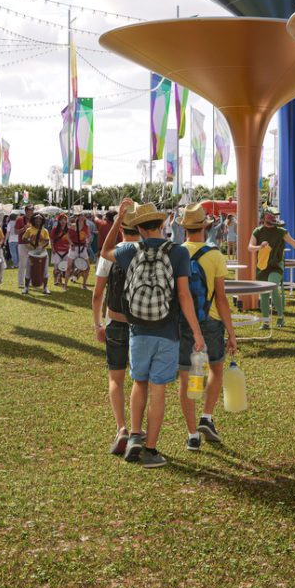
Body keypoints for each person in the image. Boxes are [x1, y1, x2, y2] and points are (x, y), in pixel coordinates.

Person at [105, 200, 206, 469]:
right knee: (158, 389)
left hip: (138, 330)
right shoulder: (178, 252)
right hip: (167, 331)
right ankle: (150, 450)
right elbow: (184, 296)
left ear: (139, 228)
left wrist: (118, 220)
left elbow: (104, 251)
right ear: (162, 224)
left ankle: (134, 436)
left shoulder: (130, 250)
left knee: (139, 383)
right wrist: (197, 333)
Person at [176, 203, 237, 451]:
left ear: (184, 228)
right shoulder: (215, 255)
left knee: (188, 376)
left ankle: (192, 434)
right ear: (205, 227)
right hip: (210, 321)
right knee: (215, 368)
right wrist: (231, 332)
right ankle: (207, 416)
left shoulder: (176, 253)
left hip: (183, 322)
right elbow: (221, 299)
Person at [93, 203, 141, 457]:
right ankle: (136, 430)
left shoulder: (111, 254)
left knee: (116, 378)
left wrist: (97, 324)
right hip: (142, 323)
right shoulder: (146, 252)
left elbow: (97, 294)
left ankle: (121, 427)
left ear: (121, 227)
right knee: (140, 379)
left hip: (114, 321)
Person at [248, 204, 295, 330]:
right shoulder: (257, 231)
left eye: (274, 216)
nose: (272, 218)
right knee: (264, 295)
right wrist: (260, 247)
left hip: (276, 265)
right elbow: (250, 247)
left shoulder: (281, 231)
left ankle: (280, 316)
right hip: (262, 266)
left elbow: (294, 243)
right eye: (269, 216)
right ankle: (265, 322)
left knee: (273, 287)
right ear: (264, 217)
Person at [22, 213, 52, 294]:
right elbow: (24, 239)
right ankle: (26, 288)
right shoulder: (29, 230)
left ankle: (45, 288)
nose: (38, 220)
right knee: (28, 270)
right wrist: (29, 241)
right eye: (36, 218)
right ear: (33, 220)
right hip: (32, 252)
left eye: (40, 219)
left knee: (45, 271)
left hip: (43, 252)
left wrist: (41, 247)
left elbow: (47, 241)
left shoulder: (45, 231)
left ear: (42, 220)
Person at [14, 204, 34, 291]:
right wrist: (24, 228)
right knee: (22, 263)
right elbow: (15, 232)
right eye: (29, 210)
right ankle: (21, 282)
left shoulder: (34, 219)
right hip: (22, 244)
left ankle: (30, 281)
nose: (31, 212)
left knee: (32, 263)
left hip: (32, 244)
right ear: (26, 211)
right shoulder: (20, 219)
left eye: (32, 210)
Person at [69, 213, 92, 288]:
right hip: (74, 248)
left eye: (83, 216)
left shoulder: (86, 227)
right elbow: (68, 236)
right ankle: (73, 276)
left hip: (83, 248)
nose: (82, 217)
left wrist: (87, 242)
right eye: (80, 216)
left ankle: (84, 284)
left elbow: (89, 236)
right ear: (78, 217)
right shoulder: (73, 226)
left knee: (87, 267)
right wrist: (71, 244)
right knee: (71, 266)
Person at [50, 213, 71, 288]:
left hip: (66, 251)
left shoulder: (69, 230)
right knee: (56, 266)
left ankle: (61, 279)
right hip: (57, 250)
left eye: (64, 220)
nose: (63, 221)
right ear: (58, 221)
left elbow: (71, 240)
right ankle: (55, 280)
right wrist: (52, 248)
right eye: (61, 220)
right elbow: (51, 239)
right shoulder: (55, 229)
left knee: (64, 267)